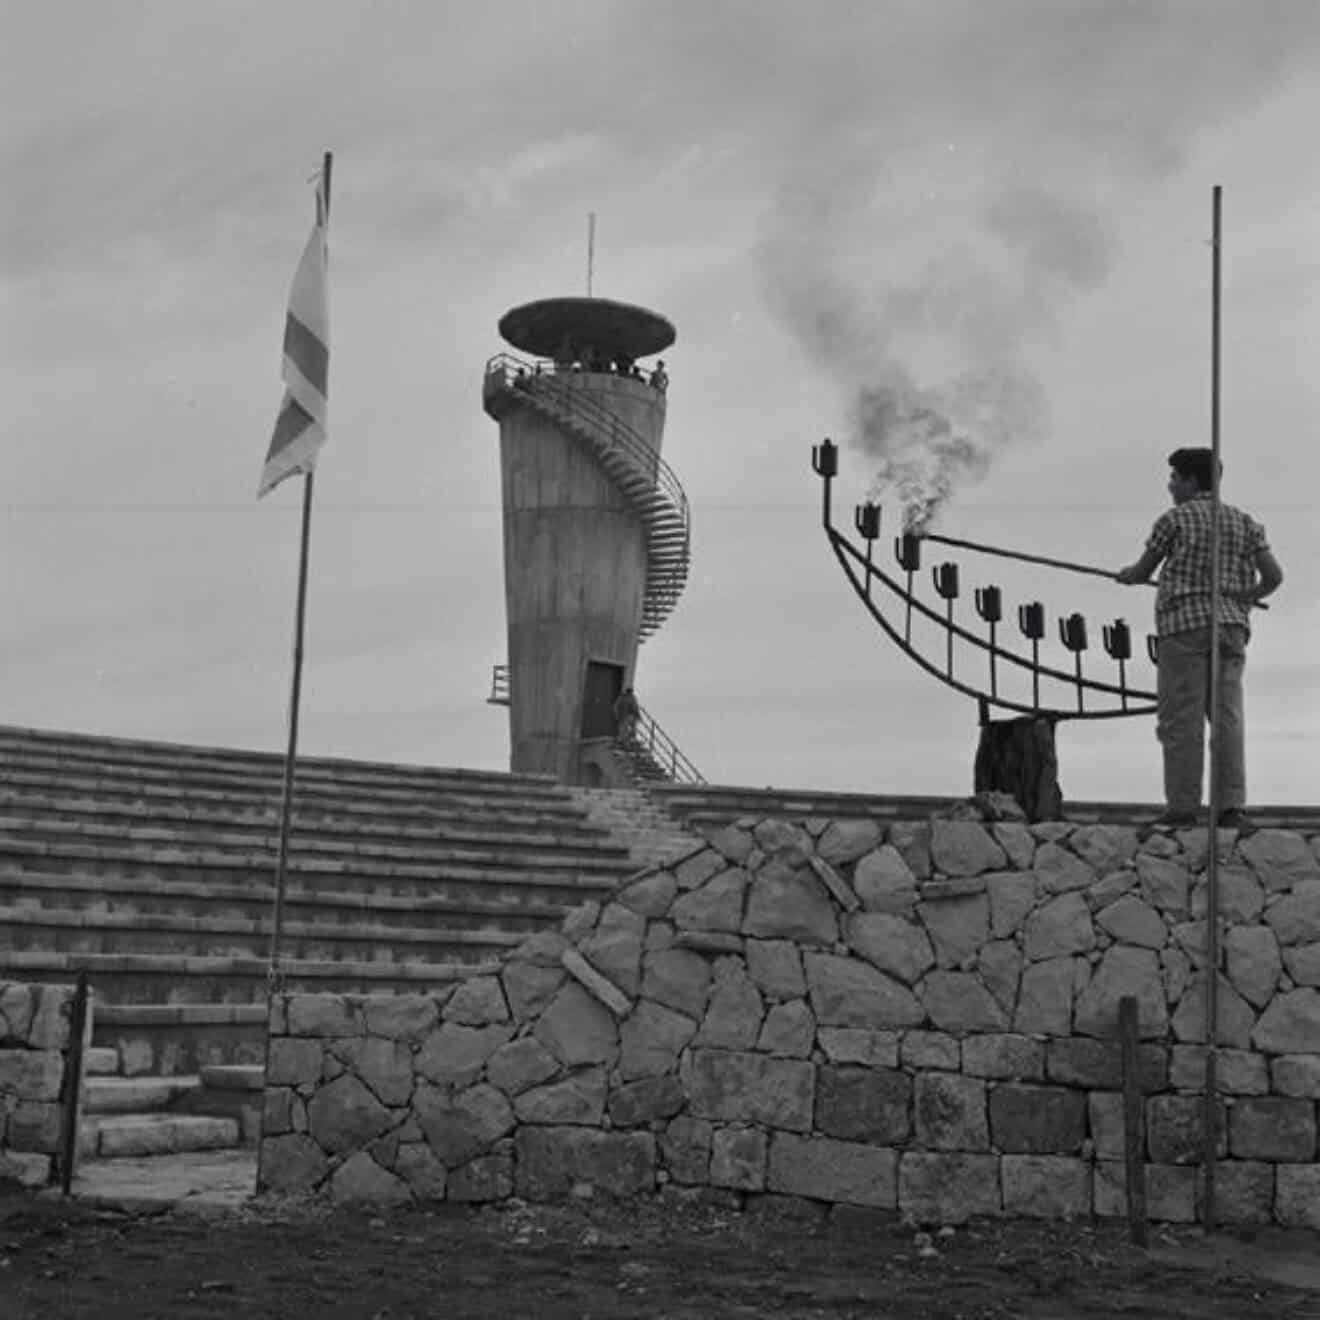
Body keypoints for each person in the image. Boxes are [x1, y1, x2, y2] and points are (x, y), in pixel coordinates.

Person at [1116, 447, 1283, 829]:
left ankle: (1182, 809)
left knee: (1181, 719)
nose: (1170, 485)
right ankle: (1231, 809)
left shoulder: (1174, 519)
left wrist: (1128, 575)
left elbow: (1143, 571)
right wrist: (1246, 598)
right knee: (1228, 719)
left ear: (1192, 481)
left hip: (1184, 628)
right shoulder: (1244, 522)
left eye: (1175, 478)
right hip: (1230, 630)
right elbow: (1274, 577)